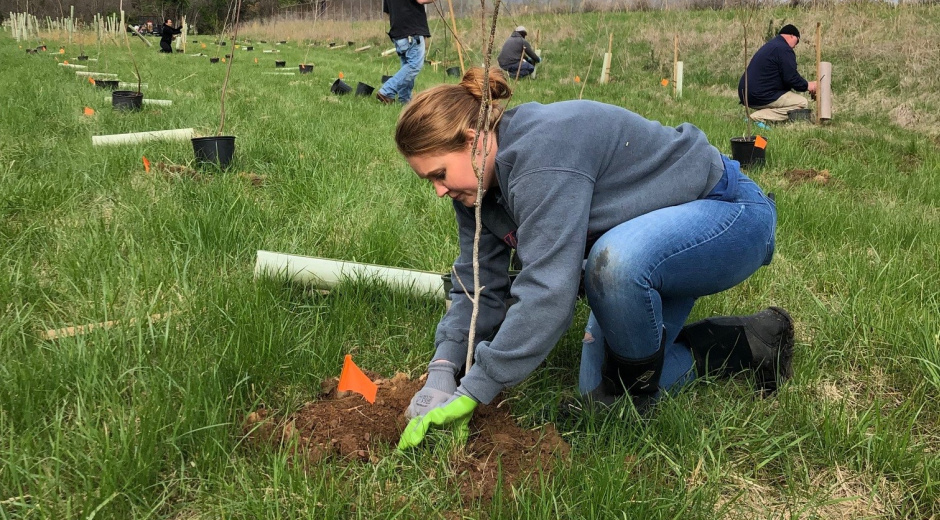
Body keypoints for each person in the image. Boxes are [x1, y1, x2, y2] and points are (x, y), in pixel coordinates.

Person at [395, 68, 795, 449]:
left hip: (730, 214)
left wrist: (473, 391)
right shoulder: (477, 191)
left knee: (614, 262)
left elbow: (548, 292)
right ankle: (750, 343)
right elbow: (478, 283)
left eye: (440, 174)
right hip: (653, 246)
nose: (438, 191)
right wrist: (443, 369)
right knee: (605, 394)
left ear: (474, 140)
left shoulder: (541, 156)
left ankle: (638, 403)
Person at [738, 24, 817, 123]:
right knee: (801, 102)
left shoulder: (772, 46)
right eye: (797, 41)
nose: (796, 46)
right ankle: (757, 117)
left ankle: (765, 114)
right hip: (759, 94)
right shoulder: (784, 49)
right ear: (792, 35)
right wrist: (808, 86)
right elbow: (791, 78)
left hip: (746, 93)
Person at [375, 0, 437, 105]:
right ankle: (386, 91)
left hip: (398, 33)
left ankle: (405, 99)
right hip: (412, 31)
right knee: (414, 66)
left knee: (407, 65)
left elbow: (387, 10)